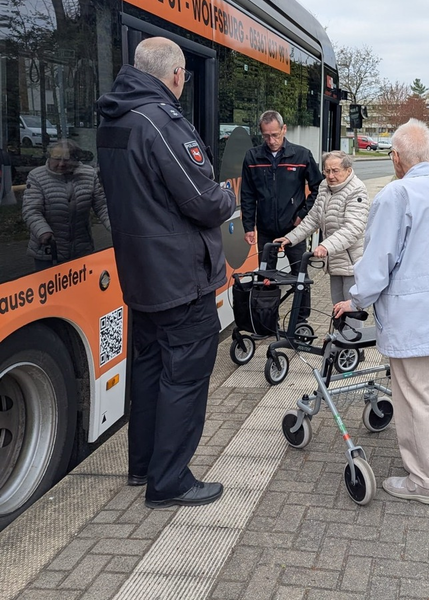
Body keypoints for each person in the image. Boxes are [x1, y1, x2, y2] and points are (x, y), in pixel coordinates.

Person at [96, 37, 236, 509]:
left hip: (141, 279)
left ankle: (144, 467)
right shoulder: (160, 120)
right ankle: (170, 481)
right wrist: (229, 194)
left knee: (150, 373)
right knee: (185, 378)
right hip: (180, 281)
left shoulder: (115, 119)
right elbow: (203, 201)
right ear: (176, 74)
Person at [333, 119, 429, 505]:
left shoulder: (396, 195)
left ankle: (423, 480)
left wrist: (355, 298)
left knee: (415, 398)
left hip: (414, 318)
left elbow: (378, 263)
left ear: (395, 158)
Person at [240, 110, 323, 321]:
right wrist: (249, 226)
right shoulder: (252, 157)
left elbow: (318, 188)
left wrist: (303, 215)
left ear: (284, 129)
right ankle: (267, 320)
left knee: (299, 277)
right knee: (266, 277)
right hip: (266, 230)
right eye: (266, 136)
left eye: (275, 135)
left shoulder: (301, 155)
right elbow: (248, 194)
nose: (272, 140)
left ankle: (300, 320)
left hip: (294, 230)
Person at [274, 150, 370, 322]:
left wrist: (326, 246)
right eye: (327, 171)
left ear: (348, 170)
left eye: (335, 171)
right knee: (338, 309)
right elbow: (313, 218)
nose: (330, 176)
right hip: (335, 261)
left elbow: (353, 229)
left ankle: (352, 348)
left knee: (351, 313)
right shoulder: (325, 187)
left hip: (352, 263)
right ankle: (339, 344)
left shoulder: (357, 191)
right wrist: (290, 238)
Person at [21, 140, 110, 270]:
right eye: (57, 159)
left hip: (81, 248)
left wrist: (116, 229)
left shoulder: (89, 175)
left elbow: (101, 206)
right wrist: (43, 231)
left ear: (76, 160)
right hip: (48, 251)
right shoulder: (36, 176)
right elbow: (31, 210)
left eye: (67, 160)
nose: (61, 164)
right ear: (49, 157)